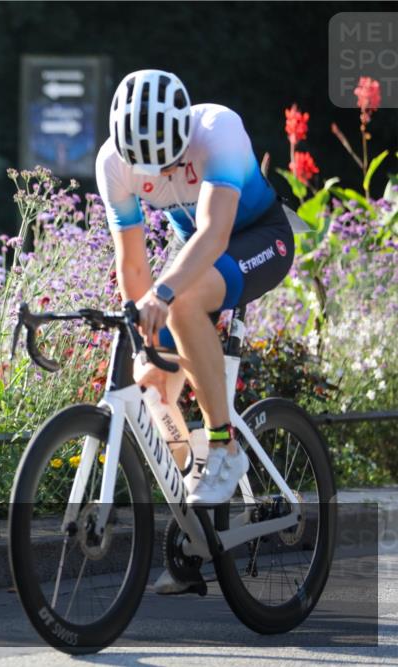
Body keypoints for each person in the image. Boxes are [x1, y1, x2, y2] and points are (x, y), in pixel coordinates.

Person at [95, 69, 295, 506]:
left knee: (181, 302)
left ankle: (224, 448)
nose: (161, 172)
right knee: (149, 385)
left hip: (259, 238)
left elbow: (214, 234)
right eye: (147, 166)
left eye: (169, 160)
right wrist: (141, 332)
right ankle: (194, 497)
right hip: (195, 259)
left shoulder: (217, 130)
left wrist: (163, 295)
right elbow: (131, 261)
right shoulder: (111, 163)